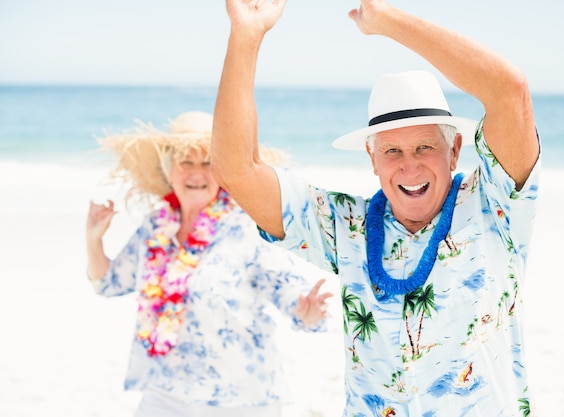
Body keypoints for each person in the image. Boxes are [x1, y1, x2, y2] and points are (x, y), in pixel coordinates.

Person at [210, 1, 540, 416]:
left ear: (454, 150)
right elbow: (236, 170)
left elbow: (510, 90)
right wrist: (246, 35)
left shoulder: (495, 205)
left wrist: (386, 21)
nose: (409, 165)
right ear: (372, 159)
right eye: (392, 151)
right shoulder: (345, 227)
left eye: (425, 147)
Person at [85, 111, 332, 417]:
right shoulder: (156, 226)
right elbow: (108, 283)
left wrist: (306, 309)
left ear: (222, 173)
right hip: (163, 391)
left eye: (208, 163)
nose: (196, 173)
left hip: (240, 398)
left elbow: (285, 287)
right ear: (169, 171)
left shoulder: (247, 226)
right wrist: (93, 239)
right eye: (186, 162)